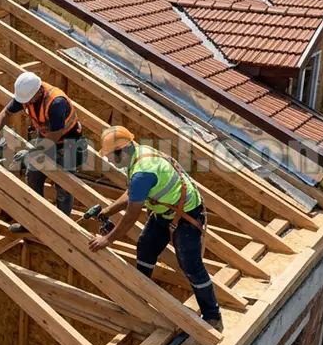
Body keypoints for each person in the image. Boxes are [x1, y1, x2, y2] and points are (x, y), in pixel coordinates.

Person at [88, 126, 223, 331]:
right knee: (146, 247)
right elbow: (132, 193)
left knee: (191, 266)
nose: (109, 161)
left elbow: (131, 216)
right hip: (166, 211)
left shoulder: (143, 171)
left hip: (187, 215)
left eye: (110, 156)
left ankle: (213, 317)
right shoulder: (138, 153)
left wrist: (108, 240)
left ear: (121, 151)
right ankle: (142, 293)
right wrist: (108, 211)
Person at [0, 71, 85, 233]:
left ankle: (62, 228)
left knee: (64, 185)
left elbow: (55, 136)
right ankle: (32, 221)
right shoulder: (27, 95)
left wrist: (31, 153)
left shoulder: (56, 103)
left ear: (39, 91)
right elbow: (6, 112)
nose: (27, 103)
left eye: (29, 100)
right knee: (33, 175)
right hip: (46, 136)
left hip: (68, 143)